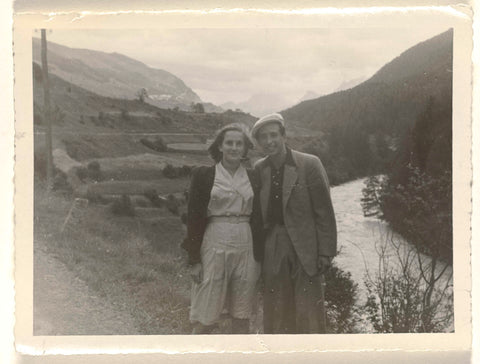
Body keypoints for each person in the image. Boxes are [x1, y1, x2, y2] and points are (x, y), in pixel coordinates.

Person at [251, 113, 337, 334]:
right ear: (259, 142)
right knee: (277, 309)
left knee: (309, 312)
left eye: (273, 135)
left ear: (284, 135)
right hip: (274, 244)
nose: (269, 141)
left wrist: (325, 252)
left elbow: (324, 211)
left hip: (307, 245)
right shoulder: (260, 169)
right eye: (264, 138)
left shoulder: (309, 164)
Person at [181, 123, 264, 334]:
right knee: (206, 313)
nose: (234, 148)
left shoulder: (254, 176)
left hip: (246, 244)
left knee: (242, 312)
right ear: (220, 146)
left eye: (239, 144)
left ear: (245, 149)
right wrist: (194, 259)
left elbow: (259, 217)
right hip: (215, 240)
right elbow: (194, 217)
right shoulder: (204, 175)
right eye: (229, 143)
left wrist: (261, 256)